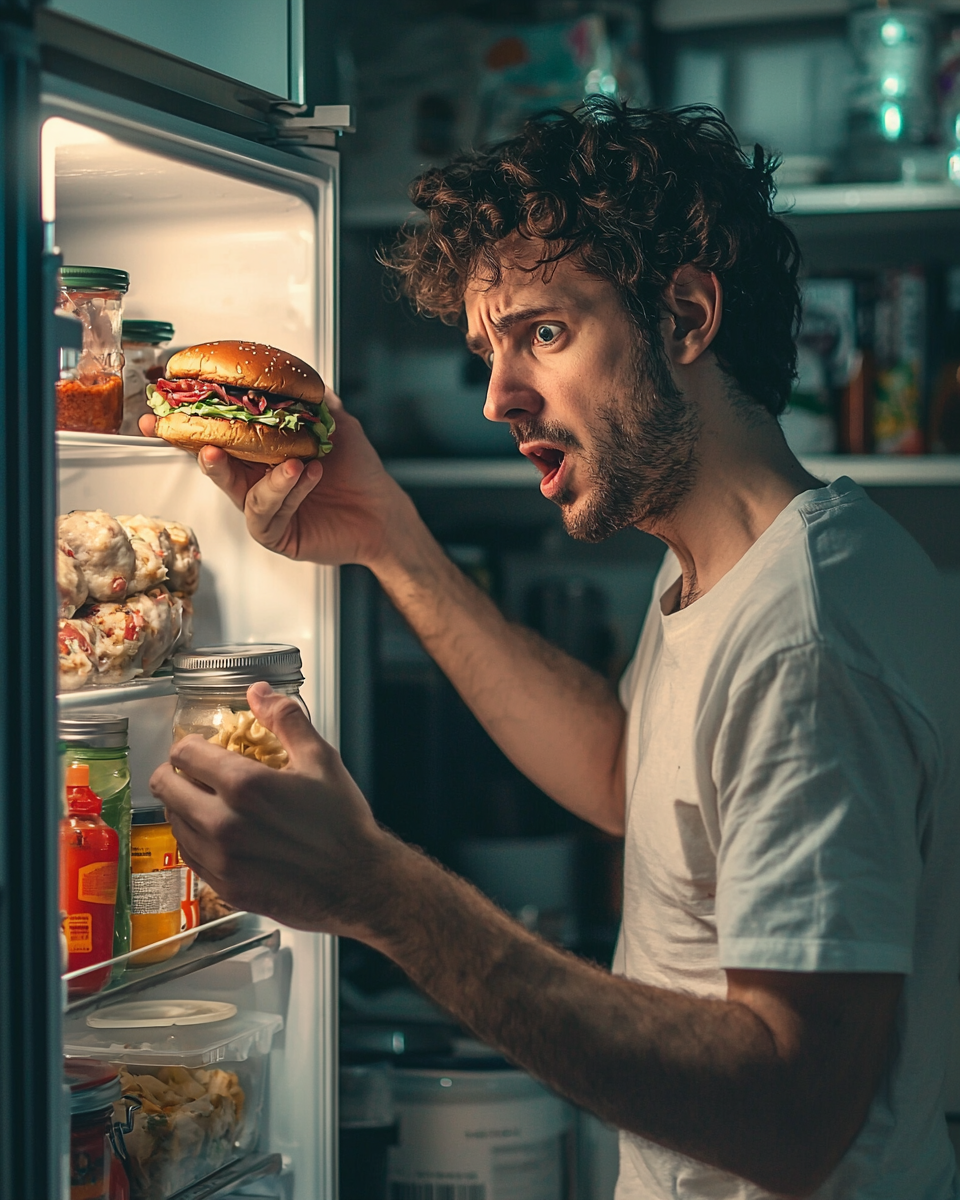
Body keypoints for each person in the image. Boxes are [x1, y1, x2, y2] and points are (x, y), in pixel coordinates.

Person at [147, 103, 960, 1199]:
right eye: (487, 351)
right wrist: (392, 538)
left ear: (683, 315)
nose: (497, 398)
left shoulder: (808, 639)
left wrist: (379, 890)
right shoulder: (730, 564)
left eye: (542, 334)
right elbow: (635, 779)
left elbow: (794, 1111)